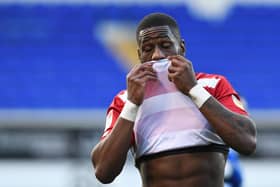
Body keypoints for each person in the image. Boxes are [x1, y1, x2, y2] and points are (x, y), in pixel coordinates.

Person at [91, 13, 257, 187]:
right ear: (139, 55)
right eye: (148, 49)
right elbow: (103, 171)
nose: (157, 55)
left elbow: (247, 141)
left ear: (181, 47)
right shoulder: (125, 100)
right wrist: (132, 105)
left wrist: (194, 90)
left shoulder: (213, 85)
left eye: (165, 45)